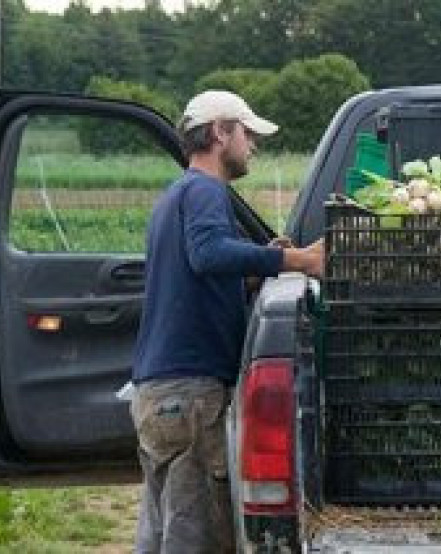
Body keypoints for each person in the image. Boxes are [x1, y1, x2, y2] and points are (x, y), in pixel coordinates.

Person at [129, 90, 324, 553]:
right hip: (191, 398)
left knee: (161, 535)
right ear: (220, 132)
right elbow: (208, 254)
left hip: (162, 396)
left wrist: (258, 268)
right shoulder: (204, 189)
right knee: (196, 537)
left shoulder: (176, 196)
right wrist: (296, 260)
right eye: (247, 133)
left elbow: (203, 274)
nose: (252, 145)